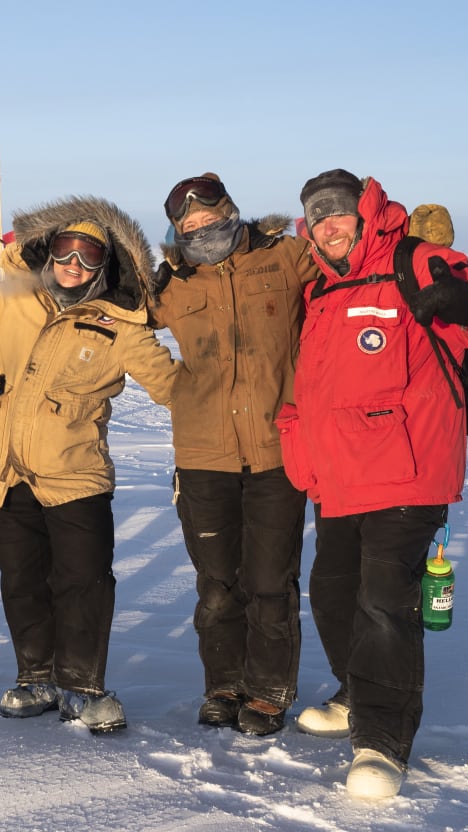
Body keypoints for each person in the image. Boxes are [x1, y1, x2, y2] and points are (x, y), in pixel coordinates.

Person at [277, 169, 468, 798]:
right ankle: (357, 693)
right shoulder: (323, 290)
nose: (328, 227)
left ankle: (382, 741)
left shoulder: (415, 259)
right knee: (332, 594)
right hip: (339, 478)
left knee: (384, 603)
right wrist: (300, 447)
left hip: (409, 471)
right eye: (317, 218)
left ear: (364, 213)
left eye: (339, 213)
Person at [0, 196, 178, 734]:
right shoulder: (13, 302)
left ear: (104, 267)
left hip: (75, 477)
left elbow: (176, 389)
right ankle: (35, 676)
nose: (74, 265)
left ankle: (82, 686)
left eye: (89, 257)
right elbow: (8, 261)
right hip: (6, 473)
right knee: (22, 581)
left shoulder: (120, 327)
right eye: (65, 252)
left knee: (83, 582)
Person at [150, 173, 318, 736]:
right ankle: (224, 684)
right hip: (204, 454)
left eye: (210, 218)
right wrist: (171, 387)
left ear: (231, 211)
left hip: (277, 449)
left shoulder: (286, 257)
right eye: (188, 227)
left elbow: (353, 271)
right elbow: (114, 320)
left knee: (271, 580)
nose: (201, 231)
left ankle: (268, 690)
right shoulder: (171, 284)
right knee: (218, 584)